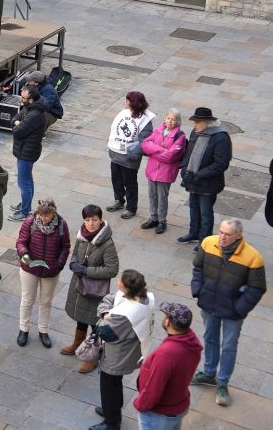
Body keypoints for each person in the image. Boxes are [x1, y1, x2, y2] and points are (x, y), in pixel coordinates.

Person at [190, 217, 266, 406]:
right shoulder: (208, 243)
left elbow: (257, 288)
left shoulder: (253, 257)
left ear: (239, 236)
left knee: (229, 346)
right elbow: (198, 267)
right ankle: (208, 373)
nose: (222, 237)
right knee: (210, 338)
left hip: (233, 311)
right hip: (209, 303)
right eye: (221, 232)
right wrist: (198, 289)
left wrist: (239, 308)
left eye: (228, 234)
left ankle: (222, 383)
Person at [93, 270, 155, 430]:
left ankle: (111, 423)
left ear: (127, 288)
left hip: (116, 356)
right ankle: (112, 412)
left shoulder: (125, 314)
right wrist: (106, 313)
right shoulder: (145, 298)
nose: (118, 280)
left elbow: (105, 332)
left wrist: (104, 315)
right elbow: (109, 298)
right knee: (115, 385)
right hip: (130, 350)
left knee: (109, 387)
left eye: (121, 280)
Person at [61, 205, 119, 374]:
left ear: (101, 220)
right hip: (80, 285)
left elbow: (112, 269)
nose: (91, 223)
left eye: (94, 220)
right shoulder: (82, 236)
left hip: (95, 289)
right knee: (81, 317)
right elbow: (76, 253)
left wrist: (86, 271)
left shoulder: (107, 244)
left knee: (94, 322)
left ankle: (93, 356)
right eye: (87, 220)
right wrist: (73, 262)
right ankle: (78, 344)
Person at [132, 302, 201, 429]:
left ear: (168, 322)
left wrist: (140, 404)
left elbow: (154, 389)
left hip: (159, 415)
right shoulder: (191, 342)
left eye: (165, 315)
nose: (163, 318)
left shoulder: (165, 355)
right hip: (177, 405)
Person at [15, 198, 70, 348]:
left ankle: (43, 330)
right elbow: (21, 242)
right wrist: (24, 254)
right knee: (27, 300)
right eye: (41, 215)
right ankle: (23, 329)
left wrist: (59, 264)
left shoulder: (61, 225)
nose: (43, 219)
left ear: (53, 213)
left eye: (47, 216)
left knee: (46, 302)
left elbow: (65, 247)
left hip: (51, 270)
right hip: (30, 269)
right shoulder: (30, 222)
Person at [177, 107, 233, 245]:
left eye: (197, 122)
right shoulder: (196, 132)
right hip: (193, 180)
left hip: (208, 183)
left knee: (206, 214)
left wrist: (199, 175)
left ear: (207, 122)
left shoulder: (220, 137)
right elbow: (189, 152)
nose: (194, 125)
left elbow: (221, 164)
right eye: (194, 121)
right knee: (193, 209)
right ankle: (193, 233)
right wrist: (184, 168)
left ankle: (204, 241)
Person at [106, 91, 155, 219]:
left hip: (129, 158)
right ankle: (119, 200)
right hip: (116, 155)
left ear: (133, 102)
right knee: (116, 180)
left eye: (127, 100)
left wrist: (133, 154)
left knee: (130, 183)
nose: (125, 102)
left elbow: (145, 141)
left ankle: (131, 207)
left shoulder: (145, 120)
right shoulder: (124, 112)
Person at [139, 108, 187, 236]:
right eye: (168, 118)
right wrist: (161, 150)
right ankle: (153, 218)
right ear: (165, 118)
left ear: (177, 122)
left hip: (166, 173)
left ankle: (162, 221)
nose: (170, 121)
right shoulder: (158, 130)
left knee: (162, 198)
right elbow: (144, 144)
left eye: (173, 119)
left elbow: (170, 156)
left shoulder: (180, 136)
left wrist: (153, 152)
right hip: (152, 170)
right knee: (152, 196)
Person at [8, 88, 46, 221]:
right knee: (27, 180)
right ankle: (26, 205)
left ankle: (24, 212)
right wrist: (17, 123)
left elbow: (18, 132)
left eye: (23, 98)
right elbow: (14, 119)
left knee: (24, 182)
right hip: (25, 150)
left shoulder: (34, 114)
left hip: (27, 152)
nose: (21, 100)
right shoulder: (30, 108)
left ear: (31, 99)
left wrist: (18, 124)